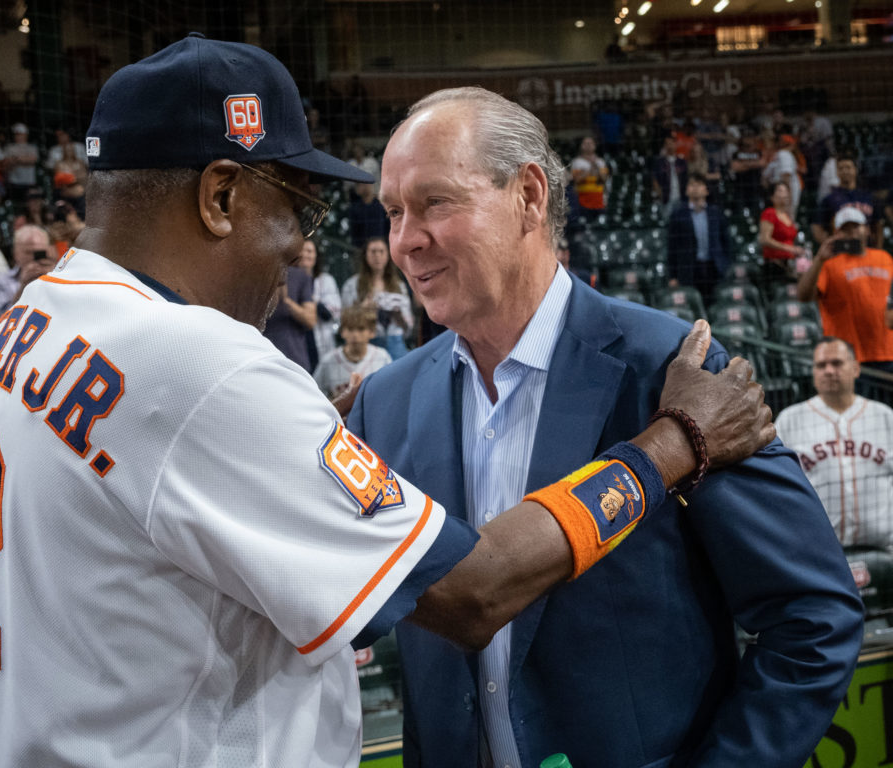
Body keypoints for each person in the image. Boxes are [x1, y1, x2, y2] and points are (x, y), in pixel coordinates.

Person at [0, 35, 774, 768]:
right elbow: (473, 591)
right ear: (220, 197)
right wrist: (673, 444)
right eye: (296, 210)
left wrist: (289, 452)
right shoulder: (204, 368)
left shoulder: (13, 334)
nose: (300, 248)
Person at [347, 86, 862, 768]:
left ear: (530, 196)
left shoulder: (673, 369)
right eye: (393, 212)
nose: (406, 240)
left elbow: (813, 616)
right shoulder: (383, 403)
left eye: (435, 202)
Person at [776, 337, 893, 550]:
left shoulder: (884, 416)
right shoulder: (790, 420)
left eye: (837, 363)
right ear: (813, 372)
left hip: (886, 546)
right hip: (818, 550)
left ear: (856, 368)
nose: (829, 371)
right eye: (821, 365)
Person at [798, 207, 893, 376]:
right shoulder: (829, 264)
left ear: (867, 229)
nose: (852, 232)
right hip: (848, 357)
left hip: (887, 351)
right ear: (836, 234)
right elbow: (803, 296)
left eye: (856, 226)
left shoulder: (885, 258)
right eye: (845, 229)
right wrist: (819, 259)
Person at [0, 224, 56, 332]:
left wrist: (55, 277)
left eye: (39, 252)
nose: (34, 257)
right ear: (16, 253)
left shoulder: (61, 276)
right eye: (28, 252)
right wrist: (23, 287)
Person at [341, 237, 413, 360]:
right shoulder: (352, 285)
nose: (377, 256)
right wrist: (363, 310)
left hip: (395, 342)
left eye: (381, 251)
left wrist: (398, 316)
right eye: (373, 252)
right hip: (366, 342)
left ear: (388, 255)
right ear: (365, 255)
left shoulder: (399, 286)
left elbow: (408, 328)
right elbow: (344, 320)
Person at [667, 172, 732, 303]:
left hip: (714, 268)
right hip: (689, 270)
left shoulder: (716, 213)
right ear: (686, 190)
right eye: (692, 184)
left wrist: (726, 266)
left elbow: (727, 242)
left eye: (699, 184)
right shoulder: (678, 215)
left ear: (706, 190)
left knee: (716, 304)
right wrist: (672, 276)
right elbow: (672, 247)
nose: (695, 188)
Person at [314, 305, 392, 399]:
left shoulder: (382, 357)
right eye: (350, 329)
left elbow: (391, 390)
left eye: (361, 329)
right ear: (342, 332)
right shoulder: (328, 361)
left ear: (372, 332)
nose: (355, 335)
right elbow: (314, 393)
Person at [811, 153, 882, 248]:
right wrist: (831, 245)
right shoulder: (829, 199)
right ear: (837, 172)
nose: (845, 171)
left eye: (848, 167)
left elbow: (878, 226)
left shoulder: (868, 197)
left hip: (866, 249)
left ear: (855, 170)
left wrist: (878, 248)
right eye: (840, 168)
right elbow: (816, 226)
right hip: (842, 249)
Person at [263, 263, 316, 372]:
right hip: (265, 359)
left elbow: (311, 321)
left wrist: (286, 300)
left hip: (296, 360)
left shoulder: (300, 275)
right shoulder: (256, 274)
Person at [299, 238, 342, 362]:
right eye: (301, 250)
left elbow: (332, 313)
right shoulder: (287, 280)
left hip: (322, 340)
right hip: (298, 341)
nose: (305, 254)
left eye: (309, 251)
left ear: (316, 256)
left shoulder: (326, 280)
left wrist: (310, 300)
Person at [759, 181, 808, 288]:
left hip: (789, 264)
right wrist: (789, 248)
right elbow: (764, 239)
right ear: (772, 196)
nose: (784, 194)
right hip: (775, 266)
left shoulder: (788, 216)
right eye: (780, 191)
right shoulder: (769, 213)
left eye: (786, 191)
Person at [761, 133, 802, 218]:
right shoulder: (785, 154)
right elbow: (786, 174)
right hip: (785, 191)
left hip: (776, 190)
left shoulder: (778, 155)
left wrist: (770, 191)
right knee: (786, 218)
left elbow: (764, 178)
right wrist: (787, 196)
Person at [569, 135, 609, 213]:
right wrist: (590, 170)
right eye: (585, 143)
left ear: (595, 146)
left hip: (598, 200)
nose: (588, 145)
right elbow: (576, 180)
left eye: (591, 143)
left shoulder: (601, 162)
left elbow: (604, 179)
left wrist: (596, 167)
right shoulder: (576, 162)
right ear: (581, 146)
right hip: (582, 200)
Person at [3, 123, 40, 203]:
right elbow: (6, 162)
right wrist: (23, 159)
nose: (18, 136)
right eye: (16, 134)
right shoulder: (9, 147)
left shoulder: (31, 147)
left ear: (26, 135)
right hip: (14, 182)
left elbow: (32, 160)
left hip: (29, 182)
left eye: (20, 134)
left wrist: (16, 159)